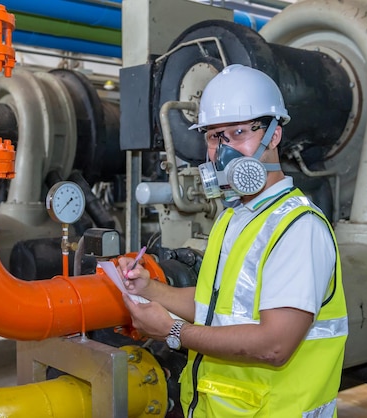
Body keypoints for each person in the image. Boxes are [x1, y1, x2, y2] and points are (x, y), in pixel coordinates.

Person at [119, 64, 348, 418]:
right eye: (214, 136)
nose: (222, 152)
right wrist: (150, 289)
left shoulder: (299, 227)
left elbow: (275, 345)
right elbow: (215, 307)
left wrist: (174, 332)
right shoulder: (232, 218)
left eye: (238, 133)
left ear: (274, 135)